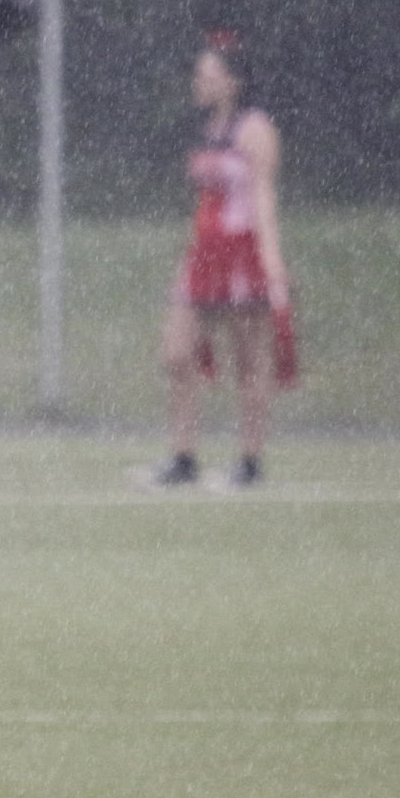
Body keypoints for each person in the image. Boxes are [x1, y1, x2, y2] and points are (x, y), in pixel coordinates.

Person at [155, 30, 295, 487]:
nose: (199, 82)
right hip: (204, 254)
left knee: (249, 361)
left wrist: (273, 266)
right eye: (198, 75)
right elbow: (204, 202)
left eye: (208, 75)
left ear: (234, 82)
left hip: (241, 253)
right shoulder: (207, 130)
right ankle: (184, 458)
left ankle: (250, 462)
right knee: (177, 354)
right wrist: (188, 255)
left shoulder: (255, 129)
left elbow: (263, 199)